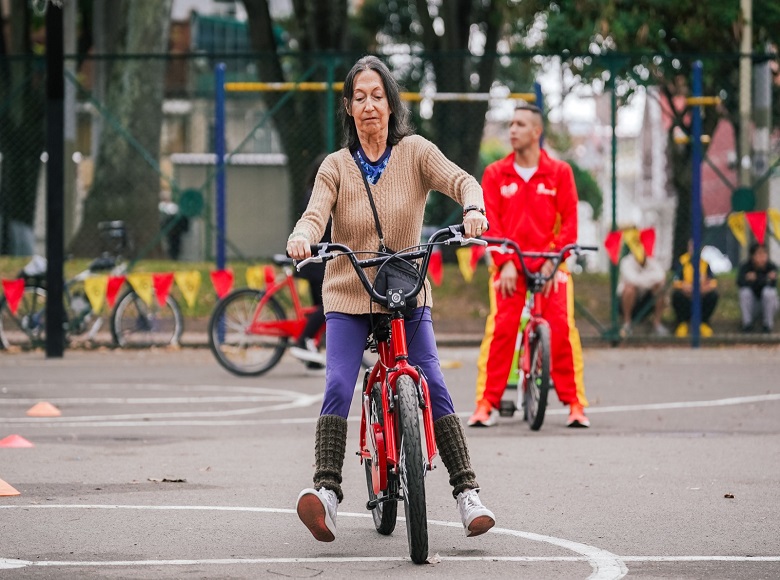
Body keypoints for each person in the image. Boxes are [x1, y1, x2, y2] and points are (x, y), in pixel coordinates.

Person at [286, 55, 495, 543]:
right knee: (338, 382)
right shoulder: (335, 167)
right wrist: (302, 236)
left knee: (434, 382)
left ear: (390, 102)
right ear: (348, 107)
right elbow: (315, 215)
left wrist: (474, 208)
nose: (368, 105)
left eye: (377, 95)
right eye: (358, 97)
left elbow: (464, 180)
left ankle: (468, 495)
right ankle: (329, 493)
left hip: (406, 290)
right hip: (347, 291)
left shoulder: (417, 152)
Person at [468, 102, 590, 429]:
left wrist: (555, 263)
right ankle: (486, 403)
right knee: (503, 327)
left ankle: (574, 404)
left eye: (520, 124)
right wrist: (506, 262)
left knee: (562, 328)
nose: (512, 130)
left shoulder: (560, 172)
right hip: (510, 263)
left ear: (537, 131)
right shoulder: (495, 173)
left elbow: (570, 224)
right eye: (510, 124)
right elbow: (490, 223)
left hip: (549, 262)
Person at [288, 153, 330, 369]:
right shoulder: (317, 195)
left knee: (318, 308)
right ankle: (304, 339)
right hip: (315, 262)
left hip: (314, 260)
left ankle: (312, 357)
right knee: (328, 305)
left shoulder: (311, 192)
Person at [617, 244, 669, 337]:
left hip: (646, 301)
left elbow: (661, 277)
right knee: (630, 289)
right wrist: (650, 280)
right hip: (625, 303)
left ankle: (657, 324)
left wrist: (641, 280)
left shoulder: (652, 261)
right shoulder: (626, 262)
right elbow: (632, 280)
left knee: (659, 288)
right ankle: (627, 324)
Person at [671, 240, 719, 337]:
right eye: (691, 246)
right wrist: (684, 287)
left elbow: (713, 282)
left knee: (713, 296)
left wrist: (704, 289)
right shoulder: (682, 261)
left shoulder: (705, 264)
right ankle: (682, 323)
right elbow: (675, 281)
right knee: (677, 296)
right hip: (686, 295)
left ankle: (703, 322)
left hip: (701, 294)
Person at [737, 242, 778, 333]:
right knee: (745, 292)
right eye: (759, 254)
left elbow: (772, 285)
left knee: (769, 293)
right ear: (752, 256)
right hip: (752, 305)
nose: (762, 257)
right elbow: (741, 283)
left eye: (764, 253)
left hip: (768, 305)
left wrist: (755, 278)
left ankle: (768, 325)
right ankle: (747, 325)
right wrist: (765, 278)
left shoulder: (771, 267)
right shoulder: (745, 267)